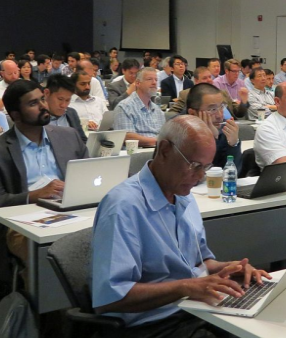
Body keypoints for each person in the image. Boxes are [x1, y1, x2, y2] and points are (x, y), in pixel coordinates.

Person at [91, 115, 269, 335]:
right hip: (154, 324)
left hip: (194, 309)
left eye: (206, 167)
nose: (200, 176)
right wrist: (186, 287)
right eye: (195, 166)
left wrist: (228, 269)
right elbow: (111, 297)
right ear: (165, 150)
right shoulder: (124, 206)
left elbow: (200, 262)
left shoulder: (183, 194)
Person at [0, 80, 88, 283]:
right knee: (54, 254)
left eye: (42, 99)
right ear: (15, 115)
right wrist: (33, 195)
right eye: (33, 103)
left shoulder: (69, 136)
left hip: (71, 211)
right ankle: (51, 309)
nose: (43, 106)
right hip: (23, 222)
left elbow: (90, 177)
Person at [187, 84, 241, 169]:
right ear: (192, 113)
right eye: (212, 109)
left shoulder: (224, 130)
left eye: (222, 107)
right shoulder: (179, 132)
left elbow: (233, 173)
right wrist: (210, 139)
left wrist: (233, 144)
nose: (220, 115)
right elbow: (199, 174)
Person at [170, 67, 248, 119]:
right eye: (205, 78)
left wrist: (244, 102)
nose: (209, 80)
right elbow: (171, 114)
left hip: (229, 127)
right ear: (196, 81)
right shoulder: (186, 94)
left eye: (210, 77)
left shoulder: (222, 93)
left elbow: (239, 114)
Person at [114, 67, 165, 147]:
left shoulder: (157, 110)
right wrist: (158, 141)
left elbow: (164, 134)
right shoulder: (124, 107)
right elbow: (127, 137)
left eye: (156, 80)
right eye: (149, 79)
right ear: (137, 83)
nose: (154, 83)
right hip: (137, 153)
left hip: (158, 151)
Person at [44, 75, 88, 142]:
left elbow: (82, 140)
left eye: (67, 100)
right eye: (60, 99)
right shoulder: (36, 117)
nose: (63, 105)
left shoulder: (71, 113)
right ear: (47, 93)